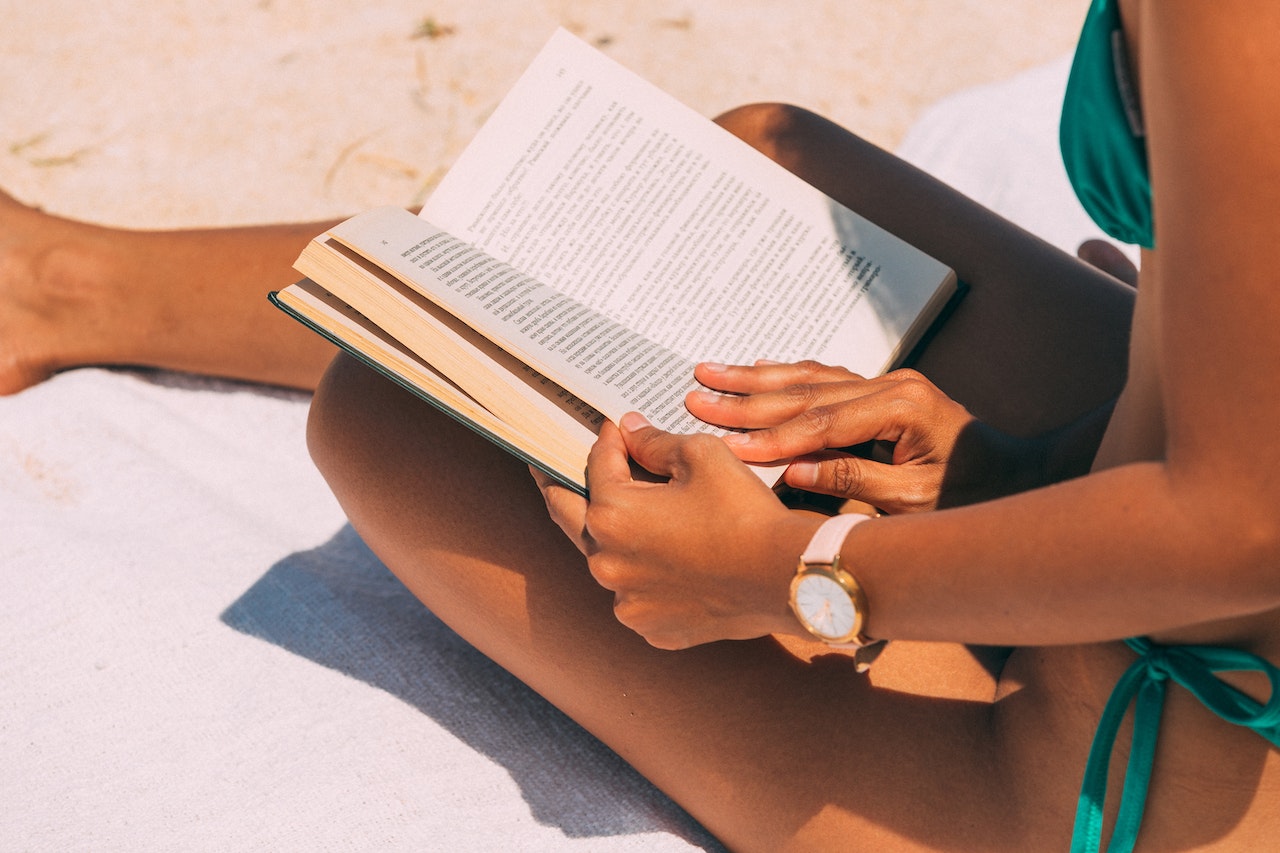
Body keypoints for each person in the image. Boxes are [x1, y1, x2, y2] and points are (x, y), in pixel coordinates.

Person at [6, 2, 1279, 849]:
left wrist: (800, 578)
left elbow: (1239, 528)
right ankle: (71, 284)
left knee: (393, 419)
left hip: (1146, 776)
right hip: (1164, 470)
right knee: (763, 183)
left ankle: (56, 292)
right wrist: (1008, 466)